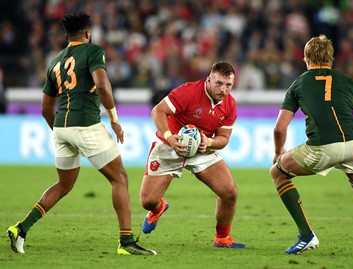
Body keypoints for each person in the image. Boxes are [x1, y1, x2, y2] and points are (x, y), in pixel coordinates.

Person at [6, 12, 155, 256]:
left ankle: (20, 228)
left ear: (66, 35)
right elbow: (104, 85)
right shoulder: (93, 51)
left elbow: (45, 108)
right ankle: (126, 242)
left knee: (64, 185)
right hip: (87, 124)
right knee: (119, 178)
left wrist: (61, 132)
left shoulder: (55, 61)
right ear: (87, 33)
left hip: (62, 128)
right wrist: (114, 120)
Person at [269, 34, 353, 255]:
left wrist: (278, 152)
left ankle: (306, 235)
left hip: (322, 148)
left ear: (306, 58)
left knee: (278, 173)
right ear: (331, 58)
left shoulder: (299, 84)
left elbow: (280, 128)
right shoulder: (350, 82)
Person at [140, 61, 245, 248]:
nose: (223, 89)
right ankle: (159, 208)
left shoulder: (230, 104)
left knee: (229, 193)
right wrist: (169, 137)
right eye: (219, 83)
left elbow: (223, 138)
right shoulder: (188, 91)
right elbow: (158, 111)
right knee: (148, 201)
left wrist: (209, 142)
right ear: (209, 79)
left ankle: (222, 239)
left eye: (228, 85)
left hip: (201, 149)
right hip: (170, 145)